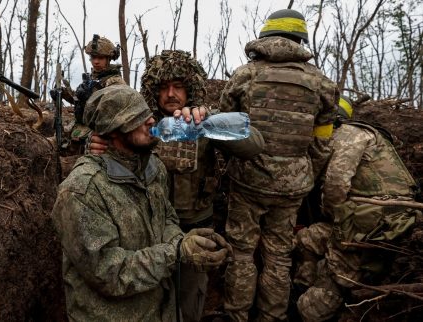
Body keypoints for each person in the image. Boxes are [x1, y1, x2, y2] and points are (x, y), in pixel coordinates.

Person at [89, 50, 264, 322]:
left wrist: (209, 120)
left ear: (190, 87)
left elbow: (255, 144)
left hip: (195, 225)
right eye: (163, 87)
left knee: (189, 304)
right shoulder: (140, 126)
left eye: (178, 86)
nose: (171, 94)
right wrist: (96, 145)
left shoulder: (200, 121)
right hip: (148, 230)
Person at [51, 84, 233, 322]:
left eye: (147, 113)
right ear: (113, 129)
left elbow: (166, 218)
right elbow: (108, 272)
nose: (150, 120)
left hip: (161, 309)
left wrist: (186, 243)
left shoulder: (153, 167)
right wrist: (175, 253)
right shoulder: (82, 191)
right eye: (136, 117)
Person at [218, 9, 339, 322]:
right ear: (301, 39)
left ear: (266, 36)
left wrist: (237, 162)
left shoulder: (245, 75)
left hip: (247, 181)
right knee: (279, 253)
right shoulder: (322, 83)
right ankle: (272, 317)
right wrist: (302, 172)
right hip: (292, 188)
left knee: (242, 252)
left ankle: (236, 315)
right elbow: (322, 144)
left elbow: (225, 128)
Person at [295, 95, 421, 321]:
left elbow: (336, 185)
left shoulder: (350, 135)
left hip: (375, 220)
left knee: (318, 300)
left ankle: (313, 305)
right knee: (306, 239)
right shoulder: (348, 136)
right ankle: (303, 287)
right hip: (364, 215)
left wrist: (332, 216)